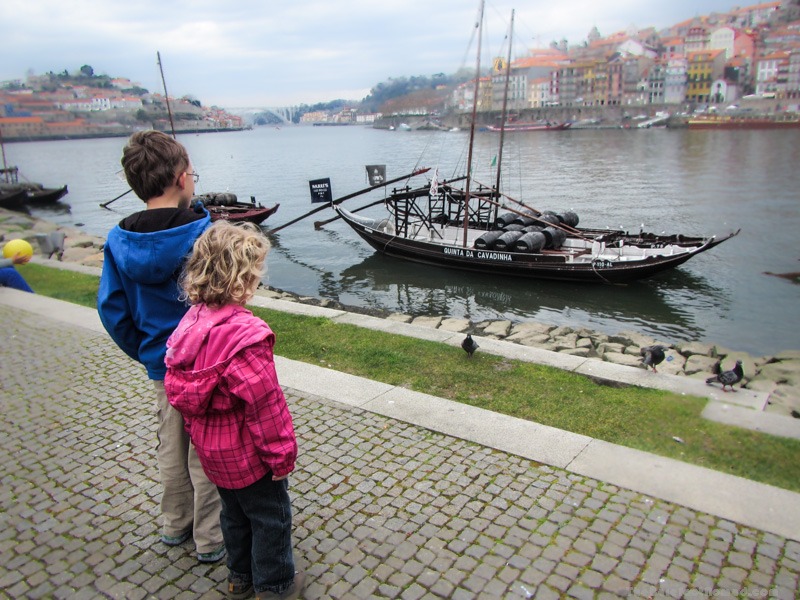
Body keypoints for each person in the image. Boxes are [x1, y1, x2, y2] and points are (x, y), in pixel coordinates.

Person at [96, 130, 224, 563]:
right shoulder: (204, 233)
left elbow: (113, 310)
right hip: (207, 365)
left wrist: (148, 352)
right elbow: (223, 302)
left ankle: (175, 524)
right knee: (207, 450)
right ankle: (211, 538)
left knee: (171, 445)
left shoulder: (118, 240)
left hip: (162, 366)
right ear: (183, 178)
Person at [164, 221, 304, 600]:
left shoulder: (189, 326)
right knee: (271, 518)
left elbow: (182, 396)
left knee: (233, 516)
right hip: (250, 459)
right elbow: (265, 407)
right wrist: (281, 456)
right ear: (243, 279)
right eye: (256, 273)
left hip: (213, 456)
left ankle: (239, 578)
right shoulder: (246, 337)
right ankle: (274, 586)